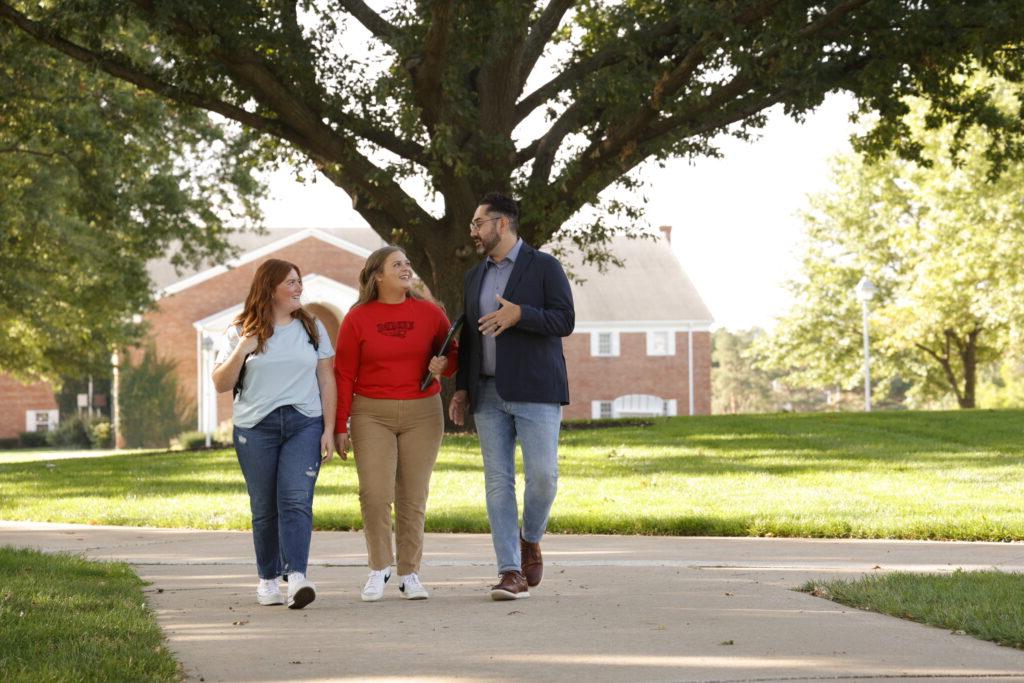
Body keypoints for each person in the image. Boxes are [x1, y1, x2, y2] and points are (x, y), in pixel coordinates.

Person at [448, 192, 575, 600]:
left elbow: (565, 319)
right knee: (498, 483)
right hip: (487, 393)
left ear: (502, 224)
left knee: (543, 476)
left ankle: (530, 537)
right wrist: (462, 390)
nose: (473, 231)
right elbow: (469, 336)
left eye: (478, 223)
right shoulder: (474, 276)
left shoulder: (544, 267)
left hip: (537, 391)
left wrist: (521, 314)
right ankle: (510, 571)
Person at [333, 246, 458, 602]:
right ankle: (379, 568)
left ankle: (410, 573)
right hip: (372, 412)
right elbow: (343, 374)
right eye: (396, 264)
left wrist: (443, 366)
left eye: (407, 262)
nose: (406, 268)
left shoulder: (430, 313)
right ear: (377, 275)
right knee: (374, 494)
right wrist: (341, 424)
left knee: (413, 495)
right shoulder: (357, 318)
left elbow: (453, 354)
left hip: (423, 412)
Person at [212, 258, 336, 609]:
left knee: (296, 500)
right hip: (256, 428)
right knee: (264, 507)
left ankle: (297, 577)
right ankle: (267, 579)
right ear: (270, 288)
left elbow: (326, 377)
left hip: (304, 422)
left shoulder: (312, 327)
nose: (299, 289)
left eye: (299, 282)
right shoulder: (239, 330)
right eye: (292, 282)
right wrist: (243, 348)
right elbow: (221, 383)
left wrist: (328, 428)